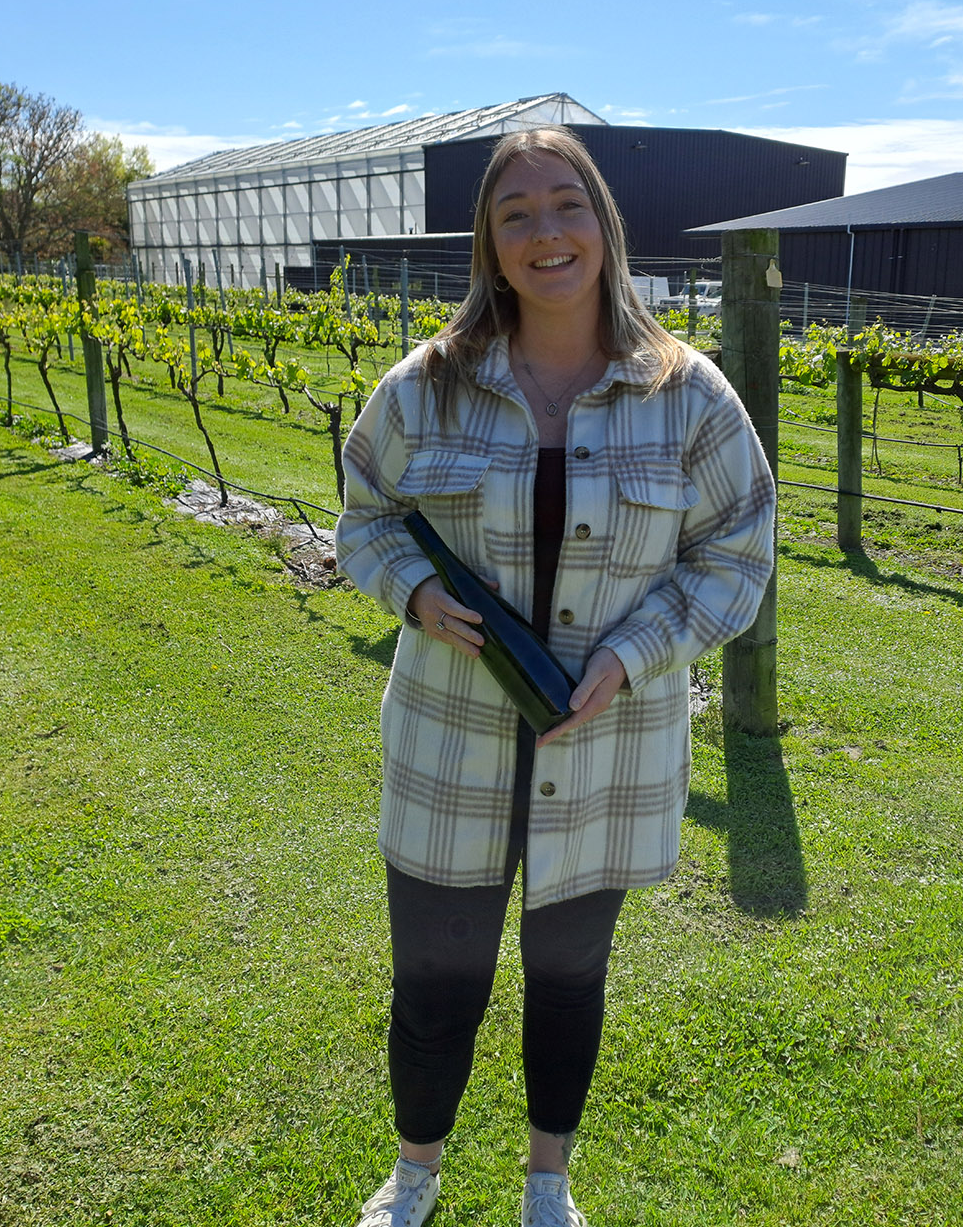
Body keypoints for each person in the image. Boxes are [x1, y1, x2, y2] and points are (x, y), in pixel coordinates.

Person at [336, 125, 776, 1227]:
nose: (546, 232)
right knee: (436, 980)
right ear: (489, 240)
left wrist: (631, 656)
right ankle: (416, 1173)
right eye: (516, 212)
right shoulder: (424, 388)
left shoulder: (688, 397)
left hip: (608, 752)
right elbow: (365, 519)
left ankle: (548, 1182)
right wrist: (412, 593)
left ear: (605, 224)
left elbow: (738, 559)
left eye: (565, 204)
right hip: (451, 745)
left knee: (570, 979)